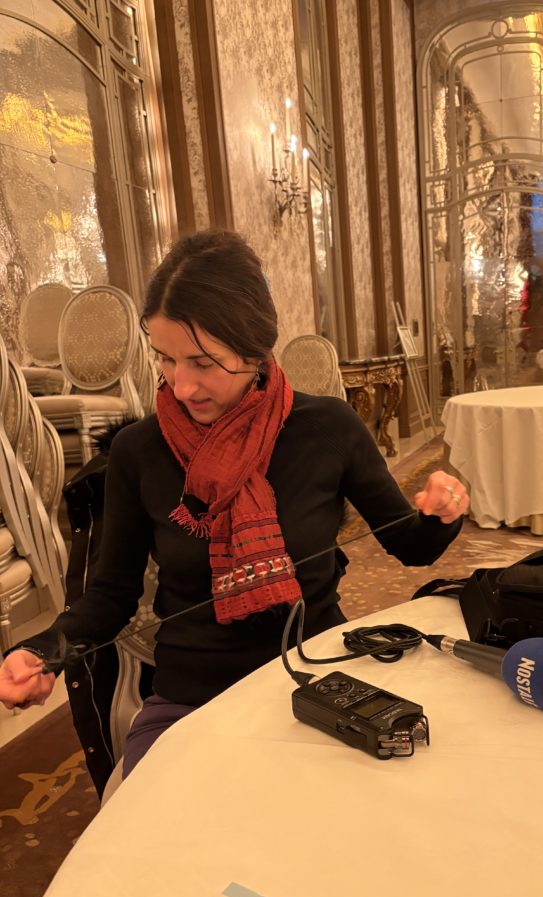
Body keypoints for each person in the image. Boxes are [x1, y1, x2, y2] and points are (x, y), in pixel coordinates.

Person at [0, 230, 468, 779]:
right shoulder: (138, 450)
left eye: (203, 362)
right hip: (193, 693)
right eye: (165, 359)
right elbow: (110, 596)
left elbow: (412, 546)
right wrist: (45, 649)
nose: (181, 386)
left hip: (320, 676)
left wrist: (443, 509)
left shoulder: (328, 428)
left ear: (254, 349)